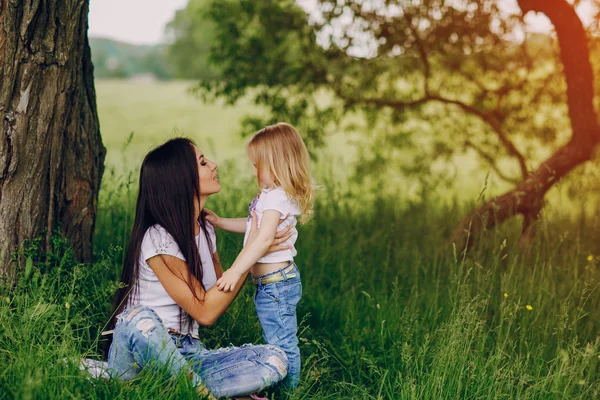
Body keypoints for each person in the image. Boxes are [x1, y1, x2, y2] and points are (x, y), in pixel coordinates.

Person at [105, 137, 293, 399]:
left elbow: (216, 302)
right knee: (139, 318)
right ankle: (197, 391)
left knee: (273, 359)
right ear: (181, 179)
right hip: (137, 351)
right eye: (203, 162)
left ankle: (171, 387)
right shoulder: (158, 237)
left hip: (187, 354)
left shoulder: (205, 230)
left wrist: (255, 251)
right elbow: (204, 311)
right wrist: (252, 249)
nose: (214, 165)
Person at [206, 123, 315, 388]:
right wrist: (220, 222)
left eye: (257, 165)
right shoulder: (271, 196)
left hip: (276, 284)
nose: (254, 171)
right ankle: (284, 386)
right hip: (274, 283)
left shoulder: (277, 198)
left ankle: (289, 390)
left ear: (276, 164)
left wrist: (235, 271)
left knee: (282, 343)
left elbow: (264, 238)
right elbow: (252, 226)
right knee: (278, 339)